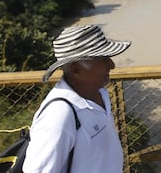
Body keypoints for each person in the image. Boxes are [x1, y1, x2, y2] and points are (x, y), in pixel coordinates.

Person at [23, 25, 131, 173]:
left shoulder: (99, 93)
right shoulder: (59, 116)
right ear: (76, 70)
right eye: (103, 60)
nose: (111, 65)